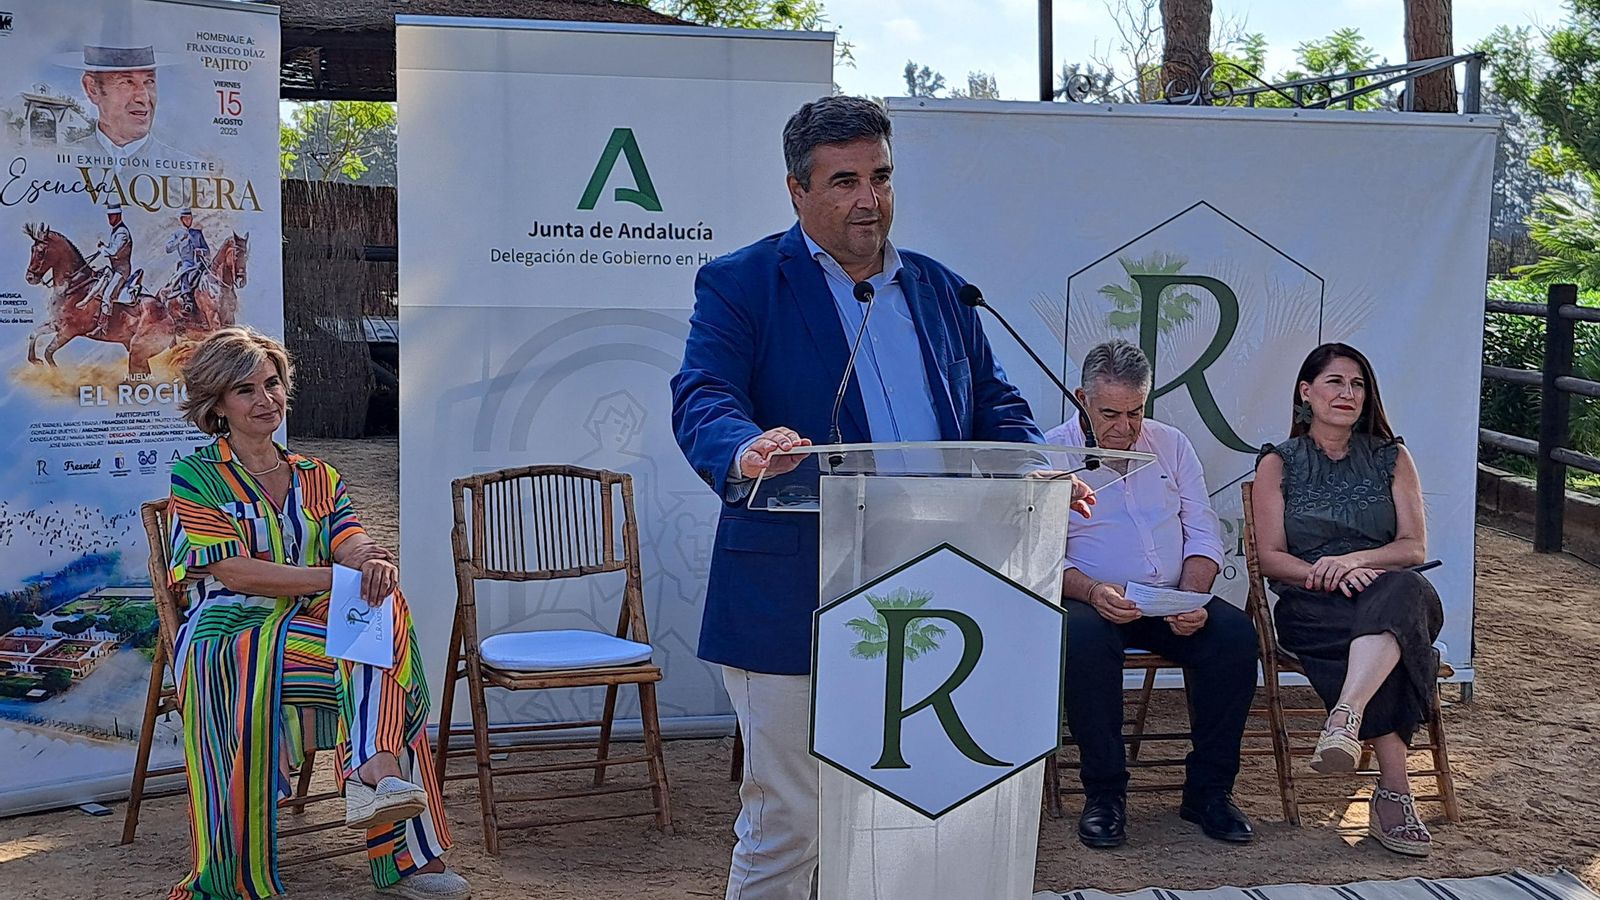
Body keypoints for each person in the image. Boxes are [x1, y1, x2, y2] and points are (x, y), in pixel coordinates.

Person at [670, 95, 1090, 900]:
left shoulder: (940, 289)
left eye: (882, 177)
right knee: (789, 819)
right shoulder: (742, 284)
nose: (870, 199)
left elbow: (994, 408)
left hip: (935, 589)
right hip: (792, 591)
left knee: (915, 811)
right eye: (845, 182)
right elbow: (705, 395)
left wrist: (1035, 466)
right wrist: (743, 447)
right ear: (797, 190)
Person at [166, 328, 469, 900]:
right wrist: (337, 577)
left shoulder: (317, 474)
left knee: (382, 608)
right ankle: (390, 808)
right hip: (231, 630)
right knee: (382, 661)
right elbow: (232, 572)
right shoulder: (197, 476)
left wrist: (369, 562)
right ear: (217, 404)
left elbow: (349, 537)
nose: (266, 399)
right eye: (245, 390)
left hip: (309, 622)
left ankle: (376, 774)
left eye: (272, 383)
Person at [1046, 339, 1258, 848]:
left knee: (1234, 638)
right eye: (1110, 414)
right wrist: (1093, 591)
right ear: (1082, 399)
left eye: (1135, 412)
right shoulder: (1051, 452)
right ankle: (1105, 795)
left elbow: (1203, 531)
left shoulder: (1171, 443)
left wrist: (1191, 598)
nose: (1124, 427)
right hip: (1091, 600)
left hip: (1168, 597)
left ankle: (1208, 792)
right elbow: (1044, 554)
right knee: (1083, 640)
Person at [1251, 342, 1443, 858]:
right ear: (1306, 391)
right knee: (1391, 645)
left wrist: (1355, 562)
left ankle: (1345, 717)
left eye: (1357, 384)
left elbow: (1413, 548)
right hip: (1314, 604)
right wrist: (1326, 574)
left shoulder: (1391, 456)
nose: (1348, 393)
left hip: (1390, 589)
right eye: (1335, 382)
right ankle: (1394, 797)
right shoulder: (1278, 462)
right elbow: (1269, 556)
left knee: (1401, 595)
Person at [59, 44, 193, 162]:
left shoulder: (189, 170)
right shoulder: (64, 160)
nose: (143, 97)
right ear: (92, 89)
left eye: (149, 81)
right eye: (126, 82)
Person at [82, 199, 134, 338]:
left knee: (107, 295)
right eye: (109, 216)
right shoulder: (116, 231)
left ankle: (102, 328)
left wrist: (103, 248)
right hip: (114, 269)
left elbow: (114, 252)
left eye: (112, 216)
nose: (110, 219)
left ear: (119, 215)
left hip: (122, 271)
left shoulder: (122, 233)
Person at [165, 206, 209, 312]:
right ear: (182, 220)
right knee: (184, 273)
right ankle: (187, 298)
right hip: (187, 262)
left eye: (190, 218)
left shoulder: (197, 233)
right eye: (186, 218)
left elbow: (207, 250)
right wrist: (179, 240)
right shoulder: (177, 234)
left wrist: (201, 251)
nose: (188, 220)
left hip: (199, 263)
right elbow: (168, 248)